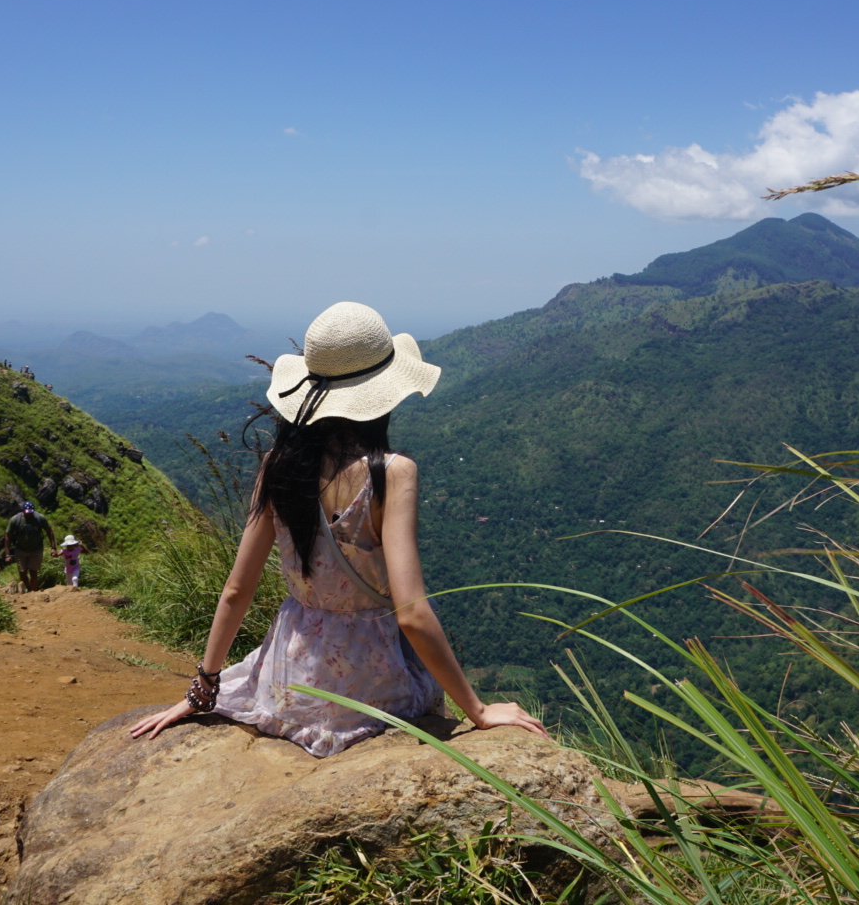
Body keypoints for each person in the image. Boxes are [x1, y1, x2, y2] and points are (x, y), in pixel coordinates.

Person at [130, 302, 547, 756]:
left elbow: (236, 589)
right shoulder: (391, 473)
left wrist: (204, 689)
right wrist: (479, 711)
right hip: (372, 690)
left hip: (287, 687)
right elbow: (410, 611)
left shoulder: (277, 466)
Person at [2, 501, 55, 593]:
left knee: (33, 572)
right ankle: (29, 589)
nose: (29, 514)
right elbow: (8, 536)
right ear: (23, 511)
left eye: (31, 512)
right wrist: (7, 555)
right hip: (20, 549)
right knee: (22, 573)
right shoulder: (15, 519)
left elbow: (49, 531)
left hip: (36, 549)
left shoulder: (40, 518)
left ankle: (33, 592)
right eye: (27, 513)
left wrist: (53, 548)